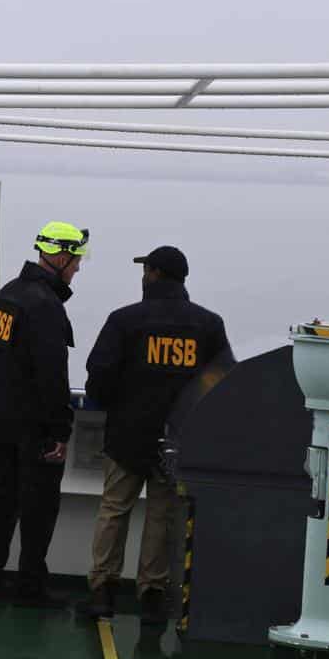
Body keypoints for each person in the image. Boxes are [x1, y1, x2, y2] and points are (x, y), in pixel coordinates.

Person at [84, 246, 230, 623]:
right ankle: (152, 595)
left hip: (126, 435)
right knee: (162, 515)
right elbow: (223, 379)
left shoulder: (125, 320)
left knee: (114, 510)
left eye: (145, 269)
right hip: (178, 440)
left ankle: (102, 592)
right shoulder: (208, 325)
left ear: (153, 274)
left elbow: (99, 372)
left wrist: (112, 404)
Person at [0, 221, 89, 606]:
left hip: (0, 421)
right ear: (59, 257)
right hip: (32, 426)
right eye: (75, 260)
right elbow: (51, 375)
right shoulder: (44, 306)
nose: (76, 269)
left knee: (3, 502)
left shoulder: (7, 295)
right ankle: (30, 589)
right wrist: (60, 431)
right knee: (38, 509)